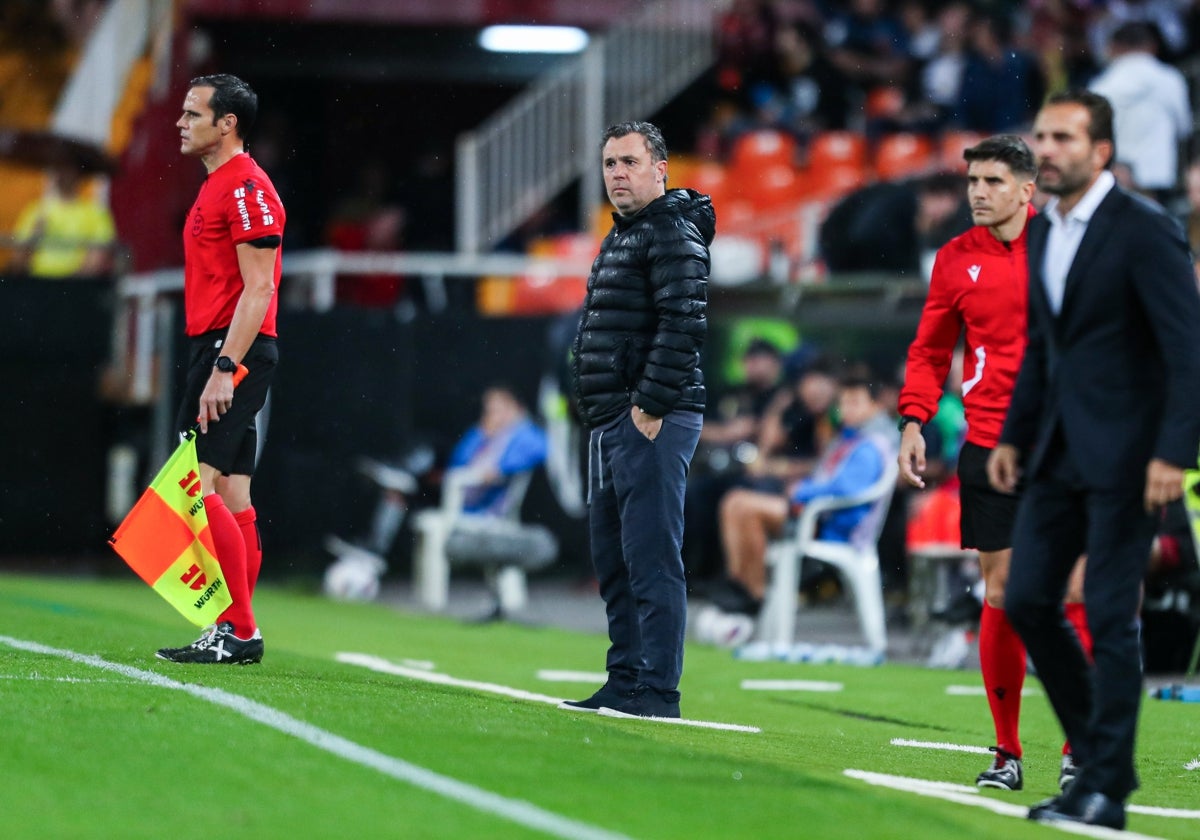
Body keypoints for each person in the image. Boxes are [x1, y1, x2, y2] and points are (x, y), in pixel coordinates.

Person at [987, 90, 1200, 829]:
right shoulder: (1045, 232)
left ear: (1101, 151)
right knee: (1027, 602)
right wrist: (1014, 436)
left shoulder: (1147, 231)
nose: (1046, 149)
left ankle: (1103, 789)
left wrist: (1175, 451)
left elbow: (1186, 350)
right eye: (1041, 135)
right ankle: (1103, 769)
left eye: (1064, 138)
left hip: (1132, 461)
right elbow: (1046, 350)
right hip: (1056, 455)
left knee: (1110, 618)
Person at [898, 134, 1095, 792]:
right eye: (972, 181)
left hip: (1066, 444)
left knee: (1072, 595)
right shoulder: (955, 259)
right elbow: (929, 351)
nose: (978, 192)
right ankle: (1007, 754)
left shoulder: (1069, 247)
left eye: (992, 181)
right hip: (988, 444)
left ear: (1027, 190)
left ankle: (1079, 750)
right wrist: (913, 420)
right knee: (1003, 597)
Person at [561, 121, 713, 719]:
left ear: (660, 169)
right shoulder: (624, 234)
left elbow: (686, 324)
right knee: (616, 561)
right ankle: (624, 679)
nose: (617, 174)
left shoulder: (671, 232)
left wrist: (649, 405)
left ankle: (658, 691)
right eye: (609, 164)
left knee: (651, 556)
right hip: (610, 420)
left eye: (628, 162)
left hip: (651, 416)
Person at [156, 74, 286, 665]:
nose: (181, 123)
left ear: (226, 122)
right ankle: (233, 630)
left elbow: (260, 288)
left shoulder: (245, 188)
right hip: (219, 348)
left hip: (230, 351)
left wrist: (223, 365)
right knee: (233, 494)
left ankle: (239, 630)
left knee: (197, 487)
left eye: (192, 114)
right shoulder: (219, 186)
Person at [704, 374, 895, 642]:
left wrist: (803, 491)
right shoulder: (848, 438)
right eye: (844, 402)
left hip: (832, 523)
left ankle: (752, 594)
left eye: (855, 402)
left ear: (875, 406)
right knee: (735, 501)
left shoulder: (872, 444)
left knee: (742, 504)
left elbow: (845, 489)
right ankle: (741, 586)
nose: (846, 409)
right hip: (815, 514)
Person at [1088, 22, 1190, 203]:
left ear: (1114, 47)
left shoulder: (1101, 85)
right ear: (1152, 46)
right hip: (1158, 177)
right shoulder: (1170, 79)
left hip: (1115, 177)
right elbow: (1184, 128)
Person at [11, 158, 115, 278]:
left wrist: (67, 285)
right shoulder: (35, 210)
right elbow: (18, 262)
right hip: (36, 284)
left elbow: (96, 260)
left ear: (78, 173)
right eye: (57, 167)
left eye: (66, 168)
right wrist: (34, 236)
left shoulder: (96, 213)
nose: (60, 173)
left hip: (76, 288)